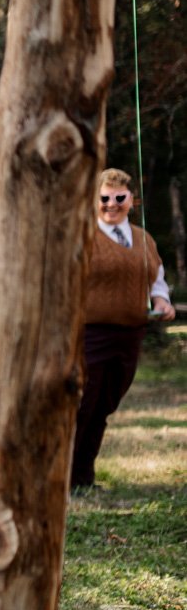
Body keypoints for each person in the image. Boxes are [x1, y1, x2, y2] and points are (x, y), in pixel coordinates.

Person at [71, 168, 175, 491]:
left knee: (104, 405)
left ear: (132, 199)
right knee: (83, 404)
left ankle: (83, 476)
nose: (111, 204)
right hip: (90, 334)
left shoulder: (144, 240)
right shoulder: (83, 236)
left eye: (119, 198)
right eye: (104, 198)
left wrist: (162, 303)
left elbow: (156, 282)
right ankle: (63, 478)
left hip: (130, 335)